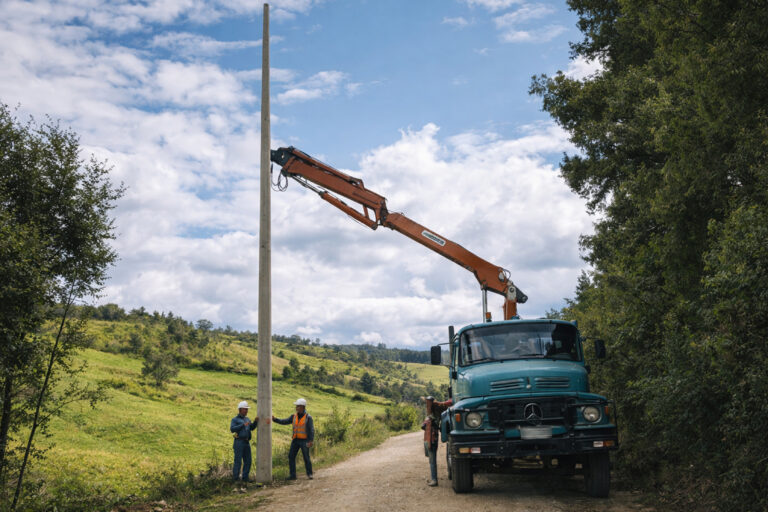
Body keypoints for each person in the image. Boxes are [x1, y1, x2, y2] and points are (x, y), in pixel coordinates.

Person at [273, 398, 314, 480]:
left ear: (302, 407)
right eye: (296, 406)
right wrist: (275, 419)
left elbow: (311, 430)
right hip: (295, 440)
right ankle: (293, 475)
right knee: (291, 456)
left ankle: (309, 474)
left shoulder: (308, 417)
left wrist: (310, 441)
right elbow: (284, 421)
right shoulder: (293, 416)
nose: (296, 408)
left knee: (306, 457)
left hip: (304, 440)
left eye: (298, 406)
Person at [421, 395, 452, 486]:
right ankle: (434, 478)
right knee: (431, 458)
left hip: (432, 436)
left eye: (428, 402)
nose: (427, 405)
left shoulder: (434, 413)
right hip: (431, 436)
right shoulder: (436, 413)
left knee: (432, 459)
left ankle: (434, 479)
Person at [230, 400, 258, 484]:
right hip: (239, 442)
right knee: (238, 461)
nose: (246, 411)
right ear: (240, 409)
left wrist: (255, 422)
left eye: (247, 409)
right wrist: (242, 425)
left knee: (248, 461)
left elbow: (251, 428)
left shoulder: (247, 419)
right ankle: (236, 479)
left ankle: (245, 478)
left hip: (246, 442)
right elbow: (232, 429)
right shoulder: (235, 419)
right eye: (245, 409)